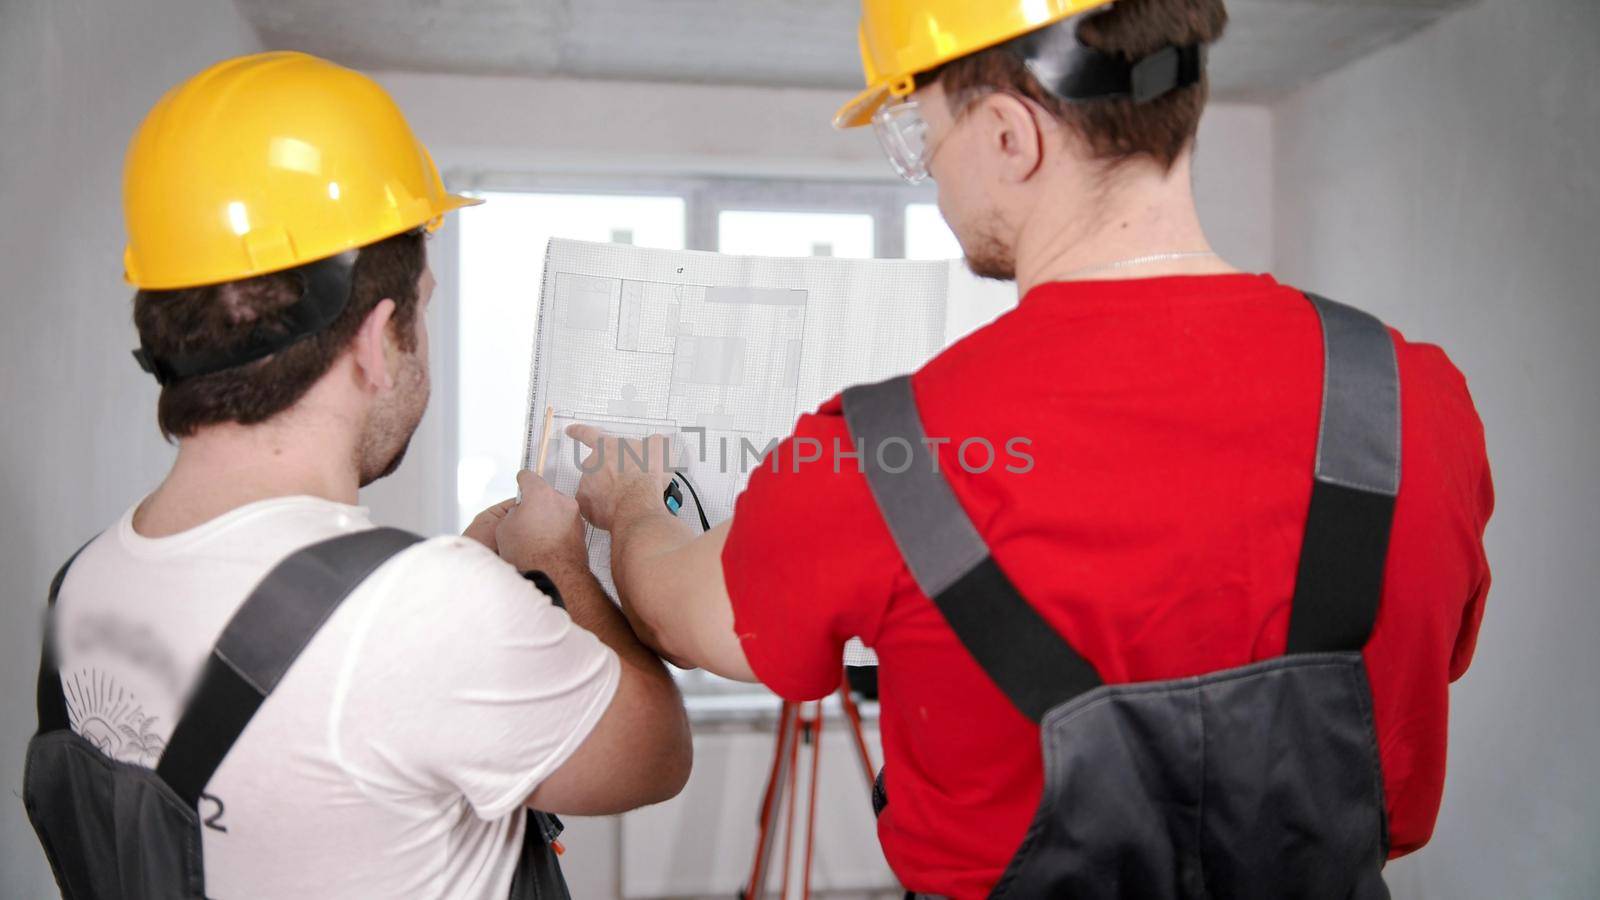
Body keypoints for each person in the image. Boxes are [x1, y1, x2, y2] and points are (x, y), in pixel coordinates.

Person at [566, 1, 1494, 897]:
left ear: (1012, 135)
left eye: (920, 133)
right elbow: (1420, 661)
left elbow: (684, 617)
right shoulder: (1412, 399)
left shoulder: (881, 451)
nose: (927, 172)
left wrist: (636, 505)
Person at [25, 51, 689, 899]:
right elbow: (655, 756)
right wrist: (568, 554)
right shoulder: (423, 611)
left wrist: (468, 582)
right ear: (378, 338)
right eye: (424, 306)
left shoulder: (82, 588)